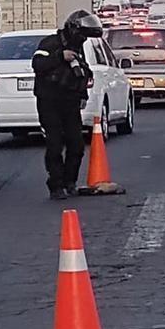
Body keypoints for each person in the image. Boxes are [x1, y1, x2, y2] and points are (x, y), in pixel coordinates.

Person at [33, 10, 103, 200]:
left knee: (77, 144)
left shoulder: (78, 49)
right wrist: (60, 57)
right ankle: (55, 185)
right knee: (54, 144)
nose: (83, 39)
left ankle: (69, 181)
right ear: (72, 29)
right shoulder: (50, 43)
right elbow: (37, 64)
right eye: (82, 35)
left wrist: (83, 94)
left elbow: (79, 75)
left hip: (70, 102)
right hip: (49, 101)